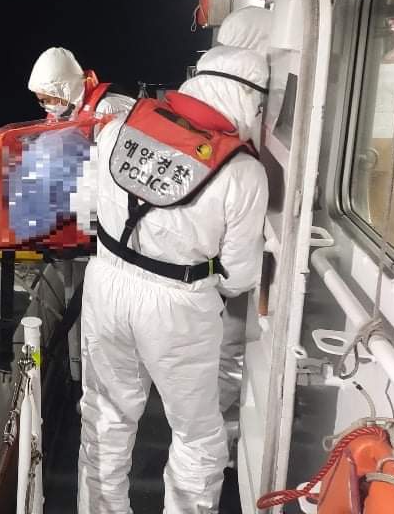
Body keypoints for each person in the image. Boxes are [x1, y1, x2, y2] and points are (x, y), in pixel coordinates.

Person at [75, 45, 269, 513]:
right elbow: (240, 275)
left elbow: (84, 212)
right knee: (197, 436)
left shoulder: (119, 127)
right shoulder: (243, 172)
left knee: (105, 416)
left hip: (104, 284)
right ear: (248, 99)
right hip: (179, 306)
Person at [27, 46, 135, 382]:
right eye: (41, 101)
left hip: (110, 233)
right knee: (76, 301)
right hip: (79, 226)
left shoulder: (110, 111)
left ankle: (93, 382)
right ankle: (78, 379)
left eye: (48, 98)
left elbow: (115, 176)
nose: (46, 106)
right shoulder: (71, 109)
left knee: (99, 318)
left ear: (62, 88)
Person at [212, 6, 272, 457]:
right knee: (229, 347)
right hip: (238, 254)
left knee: (227, 348)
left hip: (227, 252)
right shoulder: (247, 102)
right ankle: (225, 437)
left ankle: (224, 434)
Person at [27, 46, 133, 121]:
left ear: (65, 90)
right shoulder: (64, 113)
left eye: (47, 100)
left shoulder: (108, 108)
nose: (46, 106)